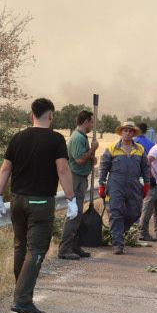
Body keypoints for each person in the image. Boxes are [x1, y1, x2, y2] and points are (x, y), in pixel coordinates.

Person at [0, 98, 77, 313]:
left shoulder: (18, 137)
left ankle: (21, 292)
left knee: (20, 246)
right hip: (40, 202)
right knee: (36, 249)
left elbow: (5, 169)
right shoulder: (56, 139)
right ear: (51, 116)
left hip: (17, 201)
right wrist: (71, 198)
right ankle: (22, 300)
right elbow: (63, 170)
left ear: (32, 115)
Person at [99, 122, 153, 255]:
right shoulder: (112, 148)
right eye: (125, 131)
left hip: (134, 184)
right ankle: (118, 243)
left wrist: (147, 184)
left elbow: (146, 167)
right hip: (115, 183)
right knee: (116, 212)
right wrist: (101, 184)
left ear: (134, 133)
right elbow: (103, 166)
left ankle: (118, 230)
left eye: (130, 131)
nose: (128, 133)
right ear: (121, 132)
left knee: (135, 213)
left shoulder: (140, 149)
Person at [58, 110, 97, 260]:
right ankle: (65, 248)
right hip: (75, 178)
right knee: (74, 214)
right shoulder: (77, 138)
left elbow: (85, 158)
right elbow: (79, 159)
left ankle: (74, 245)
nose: (92, 125)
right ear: (86, 121)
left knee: (78, 214)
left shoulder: (82, 137)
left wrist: (92, 157)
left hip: (81, 178)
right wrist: (92, 150)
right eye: (91, 122)